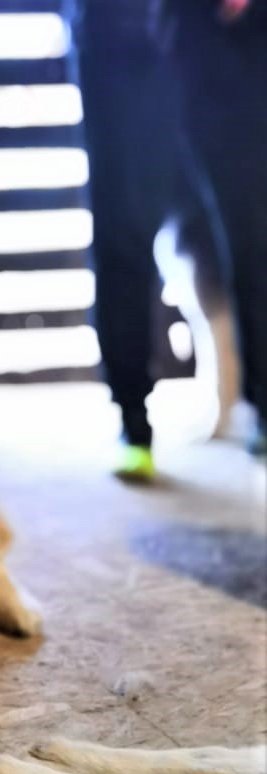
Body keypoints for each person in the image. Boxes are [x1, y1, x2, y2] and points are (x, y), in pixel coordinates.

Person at [71, 0, 176, 481]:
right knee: (124, 240)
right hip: (115, 33)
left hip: (223, 38)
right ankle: (134, 421)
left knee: (250, 224)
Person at [160, 0, 267, 456]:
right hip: (197, 73)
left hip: (241, 71)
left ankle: (244, 405)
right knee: (226, 277)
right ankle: (243, 405)